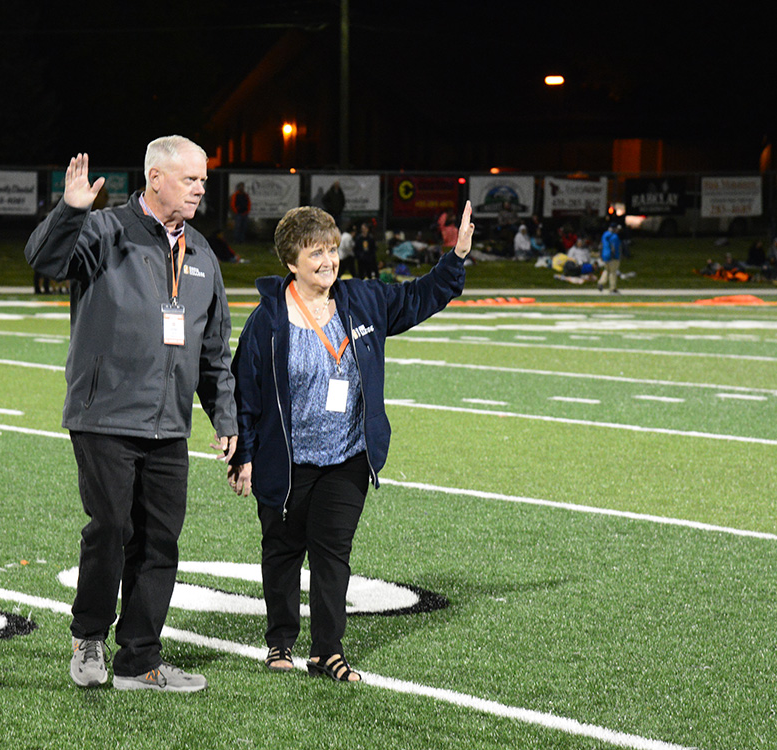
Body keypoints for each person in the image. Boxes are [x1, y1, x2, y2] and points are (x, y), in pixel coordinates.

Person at [24, 136, 238, 693]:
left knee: (160, 540)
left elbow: (214, 350)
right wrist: (70, 212)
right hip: (105, 413)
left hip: (169, 423)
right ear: (156, 177)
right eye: (191, 179)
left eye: (204, 181)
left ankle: (139, 661)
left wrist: (226, 420)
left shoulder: (202, 254)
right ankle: (90, 634)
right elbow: (45, 261)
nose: (200, 188)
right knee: (112, 528)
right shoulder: (103, 229)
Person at [227, 201, 474, 682]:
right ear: (291, 262)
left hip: (347, 456)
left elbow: (419, 297)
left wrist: (456, 258)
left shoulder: (363, 300)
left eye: (332, 249)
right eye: (315, 252)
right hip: (289, 461)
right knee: (282, 551)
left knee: (332, 553)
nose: (328, 261)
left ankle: (326, 650)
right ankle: (280, 640)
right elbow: (246, 393)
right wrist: (244, 457)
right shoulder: (268, 321)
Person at [598, 224, 622, 293]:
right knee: (613, 272)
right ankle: (612, 288)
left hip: (605, 255)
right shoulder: (615, 237)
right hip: (613, 257)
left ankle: (601, 282)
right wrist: (615, 256)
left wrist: (601, 255)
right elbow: (614, 248)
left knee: (606, 270)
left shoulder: (604, 235)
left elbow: (601, 245)